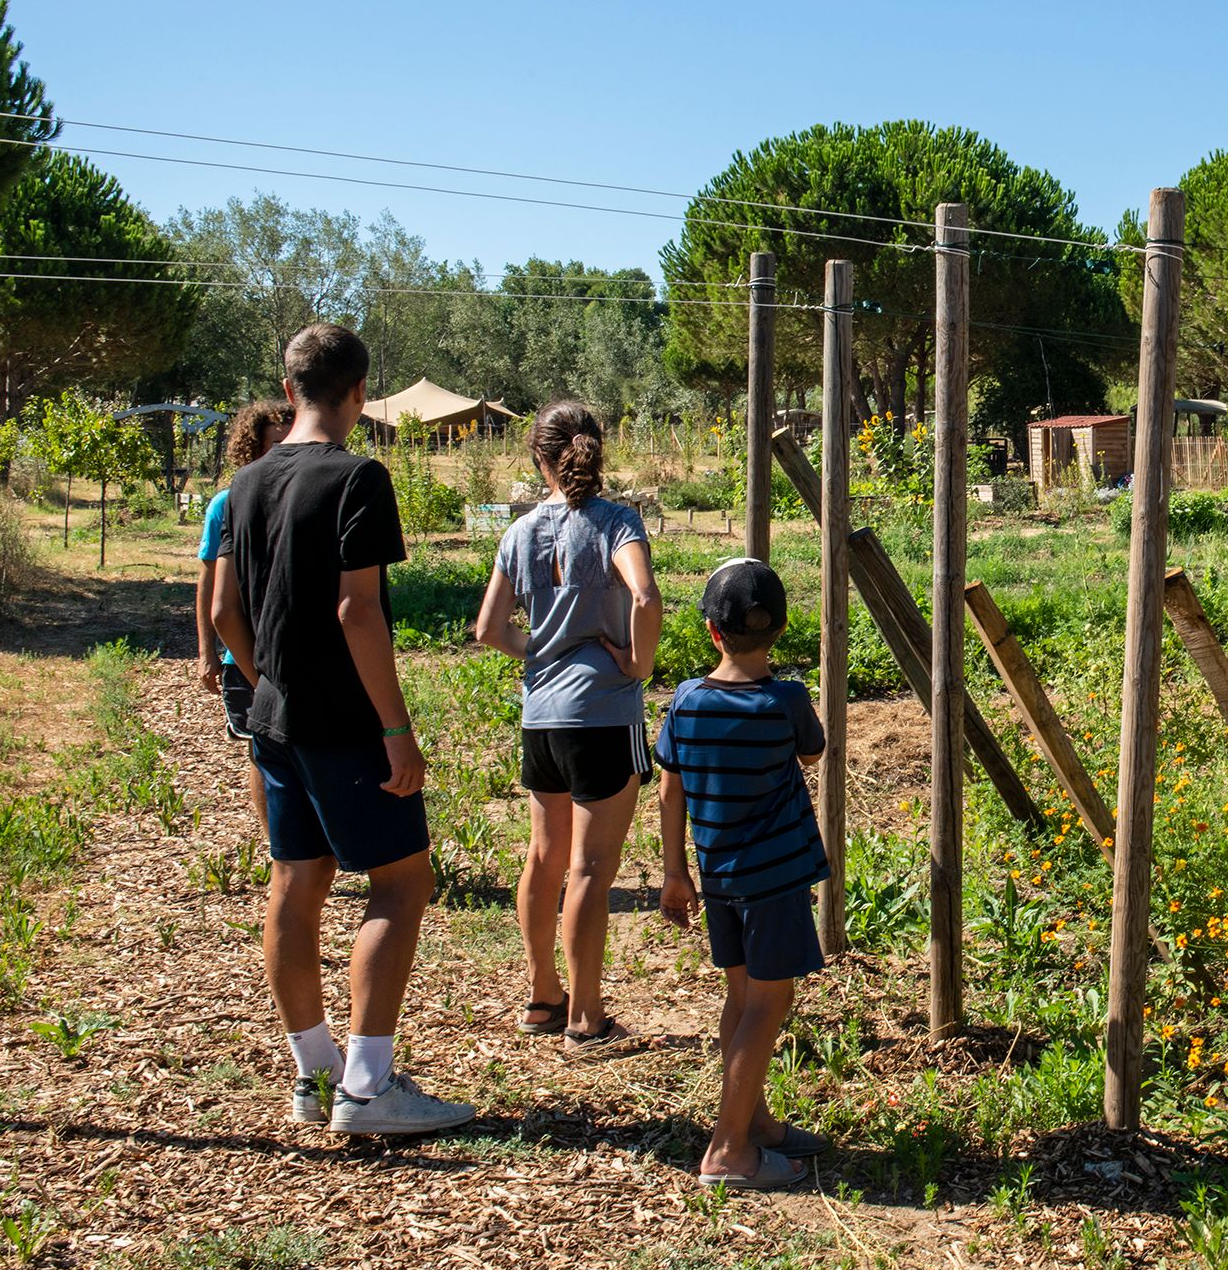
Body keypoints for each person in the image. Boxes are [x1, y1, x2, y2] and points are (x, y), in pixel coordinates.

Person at [210, 323, 474, 1137]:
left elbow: (224, 611)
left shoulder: (245, 484)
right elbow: (359, 610)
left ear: (288, 390)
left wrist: (268, 687)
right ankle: (368, 1084)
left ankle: (314, 1071)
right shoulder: (360, 478)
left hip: (276, 721)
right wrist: (395, 728)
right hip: (348, 725)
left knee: (295, 881)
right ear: (360, 394)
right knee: (401, 882)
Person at [473, 401, 663, 1055]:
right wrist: (637, 662)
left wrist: (541, 651)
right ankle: (587, 1018)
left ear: (538, 458)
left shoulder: (519, 533)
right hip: (603, 717)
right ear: (595, 452)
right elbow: (644, 594)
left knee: (543, 856)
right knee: (588, 870)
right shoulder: (617, 522)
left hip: (541, 717)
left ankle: (542, 995)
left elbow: (489, 629)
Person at [655, 557, 832, 1190]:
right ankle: (728, 1149)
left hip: (718, 877)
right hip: (775, 880)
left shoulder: (686, 701)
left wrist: (675, 872)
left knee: (741, 999)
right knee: (769, 1004)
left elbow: (669, 792)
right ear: (780, 631)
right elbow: (813, 750)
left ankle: (754, 1122)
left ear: (711, 631)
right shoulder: (784, 699)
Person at [196, 399, 293, 827]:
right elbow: (210, 590)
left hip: (291, 650)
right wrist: (206, 652)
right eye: (275, 443)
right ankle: (277, 842)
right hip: (245, 654)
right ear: (251, 446)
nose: (283, 450)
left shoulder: (301, 495)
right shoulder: (226, 503)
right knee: (262, 747)